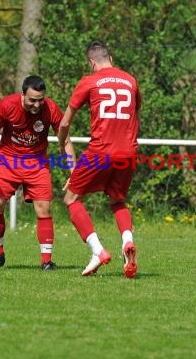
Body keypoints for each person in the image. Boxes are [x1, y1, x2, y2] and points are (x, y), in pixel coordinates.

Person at [57, 40, 142, 278]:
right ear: (111, 58)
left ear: (91, 62)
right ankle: (127, 242)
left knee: (71, 198)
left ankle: (98, 251)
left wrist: (62, 141)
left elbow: (64, 123)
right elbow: (136, 116)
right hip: (128, 151)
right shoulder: (131, 81)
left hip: (100, 151)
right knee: (117, 201)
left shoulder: (89, 81)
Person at [0, 75, 74, 271]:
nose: (37, 104)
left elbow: (65, 141)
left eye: (40, 99)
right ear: (22, 94)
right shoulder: (6, 105)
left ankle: (46, 261)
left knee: (43, 209)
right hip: (7, 161)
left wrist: (73, 170)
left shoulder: (51, 109)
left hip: (37, 164)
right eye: (32, 100)